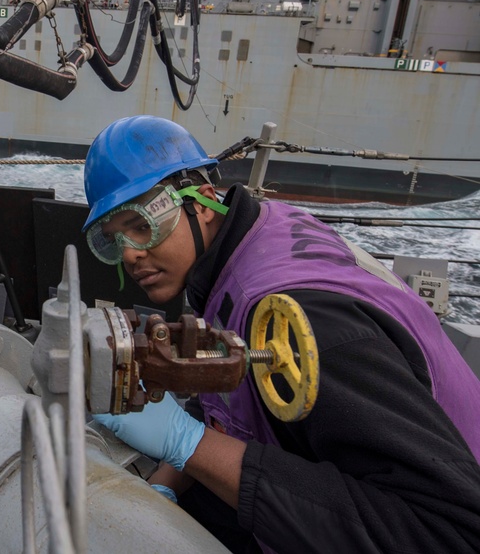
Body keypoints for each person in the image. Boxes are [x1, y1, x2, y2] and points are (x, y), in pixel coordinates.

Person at [84, 115, 480, 553]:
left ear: (203, 201)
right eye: (112, 241)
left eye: (142, 225)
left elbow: (447, 532)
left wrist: (187, 443)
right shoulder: (252, 238)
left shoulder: (305, 322)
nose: (131, 255)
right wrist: (163, 486)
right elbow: (233, 402)